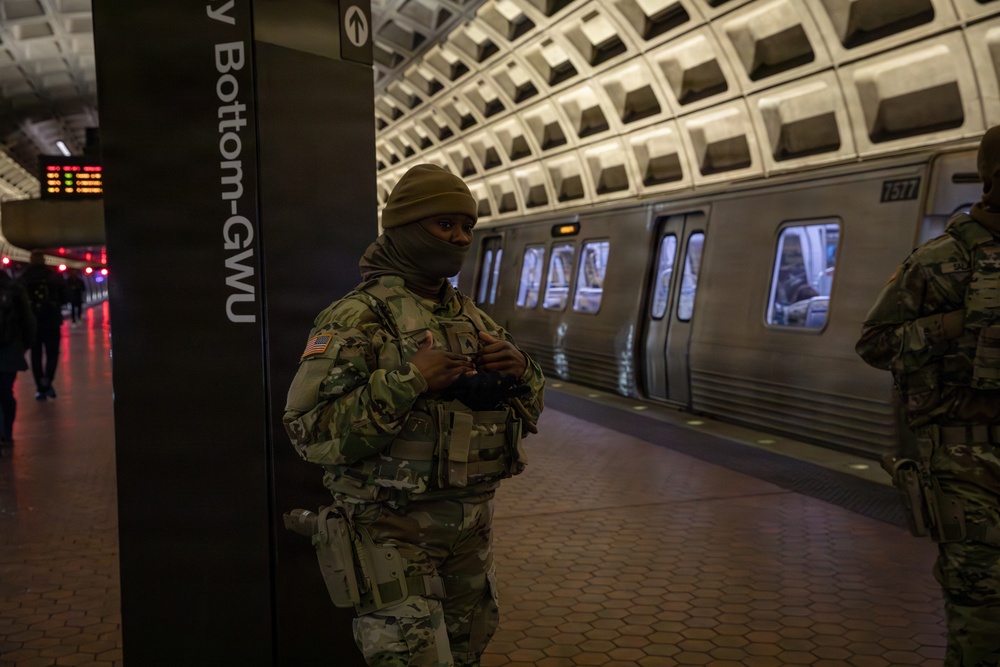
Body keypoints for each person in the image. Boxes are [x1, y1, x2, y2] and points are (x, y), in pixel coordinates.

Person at [283, 163, 545, 666]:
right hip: (391, 531)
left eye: (467, 226)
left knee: (466, 653)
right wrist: (411, 379)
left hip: (470, 529)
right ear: (405, 228)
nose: (460, 237)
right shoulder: (356, 317)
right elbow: (308, 430)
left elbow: (527, 411)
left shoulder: (470, 315)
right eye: (444, 224)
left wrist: (522, 372)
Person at [856, 126, 1000, 666]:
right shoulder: (939, 261)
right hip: (966, 461)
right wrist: (953, 325)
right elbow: (875, 343)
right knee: (981, 610)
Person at [20, 251, 67, 400]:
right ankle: (47, 380)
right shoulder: (53, 277)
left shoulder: (24, 278)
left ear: (31, 260)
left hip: (32, 323)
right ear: (44, 260)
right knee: (52, 353)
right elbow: (65, 298)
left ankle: (40, 387)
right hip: (51, 321)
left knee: (36, 354)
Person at [0, 269, 35, 452]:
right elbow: (28, 322)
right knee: (6, 392)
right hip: (9, 351)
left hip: (10, 351)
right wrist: (23, 347)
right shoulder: (15, 290)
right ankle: (6, 434)